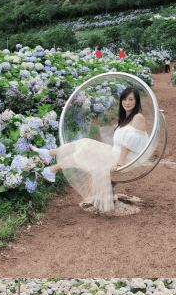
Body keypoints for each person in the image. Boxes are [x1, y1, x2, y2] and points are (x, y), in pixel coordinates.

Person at [31, 86, 148, 214]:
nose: (127, 102)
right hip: (116, 154)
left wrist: (120, 163)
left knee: (85, 149)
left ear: (136, 101)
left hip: (124, 159)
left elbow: (128, 142)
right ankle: (50, 161)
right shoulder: (126, 119)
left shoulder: (138, 117)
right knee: (84, 143)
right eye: (124, 99)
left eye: (131, 99)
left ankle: (50, 164)